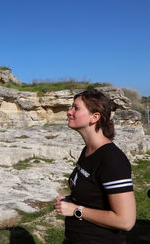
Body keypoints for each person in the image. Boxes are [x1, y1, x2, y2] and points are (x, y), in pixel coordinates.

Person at [54, 90, 136, 244]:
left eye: (76, 108)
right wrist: (70, 200)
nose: (69, 112)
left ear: (95, 117)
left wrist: (75, 210)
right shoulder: (88, 150)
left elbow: (126, 221)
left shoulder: (112, 159)